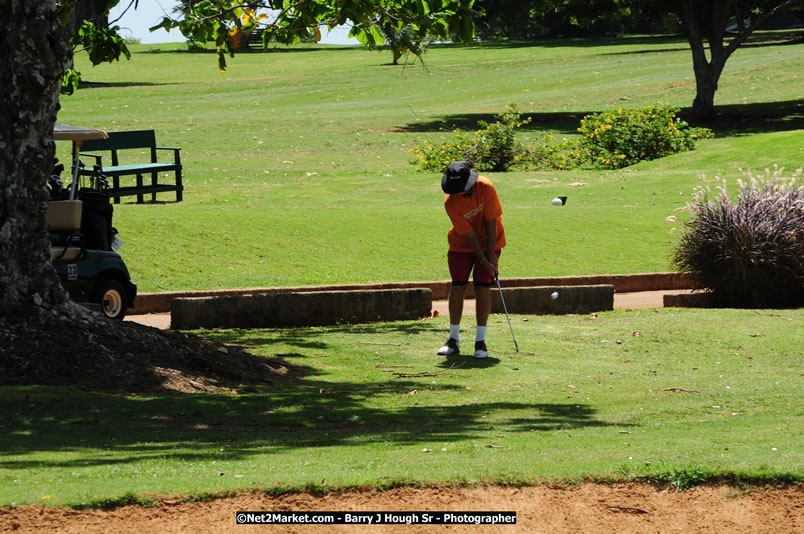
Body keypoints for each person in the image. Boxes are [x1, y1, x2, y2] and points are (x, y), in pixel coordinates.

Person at [438, 160, 506, 359]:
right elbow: (469, 235)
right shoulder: (451, 202)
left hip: (492, 240)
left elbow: (491, 220)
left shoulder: (486, 187)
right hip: (461, 245)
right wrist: (483, 260)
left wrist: (491, 254)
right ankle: (453, 339)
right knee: (458, 286)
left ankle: (480, 341)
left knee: (483, 288)